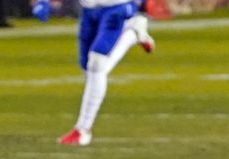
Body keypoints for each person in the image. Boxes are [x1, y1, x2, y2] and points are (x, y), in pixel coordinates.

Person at [50, 0, 155, 146]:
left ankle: (82, 129)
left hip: (116, 8)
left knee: (96, 64)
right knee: (88, 69)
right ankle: (133, 33)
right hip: (89, 10)